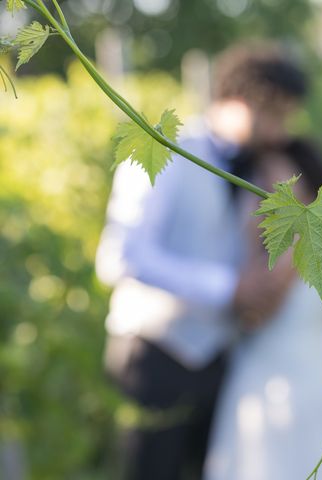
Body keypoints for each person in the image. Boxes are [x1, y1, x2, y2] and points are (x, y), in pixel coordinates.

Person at [95, 44, 308, 480]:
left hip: (219, 358)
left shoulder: (263, 167)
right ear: (240, 96)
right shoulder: (161, 150)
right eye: (275, 114)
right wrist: (227, 288)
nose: (279, 132)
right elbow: (121, 255)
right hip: (154, 355)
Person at [204, 138, 322, 480]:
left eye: (272, 183)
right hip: (317, 376)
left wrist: (252, 241)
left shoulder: (294, 247)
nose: (262, 194)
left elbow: (254, 312)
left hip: (276, 386)